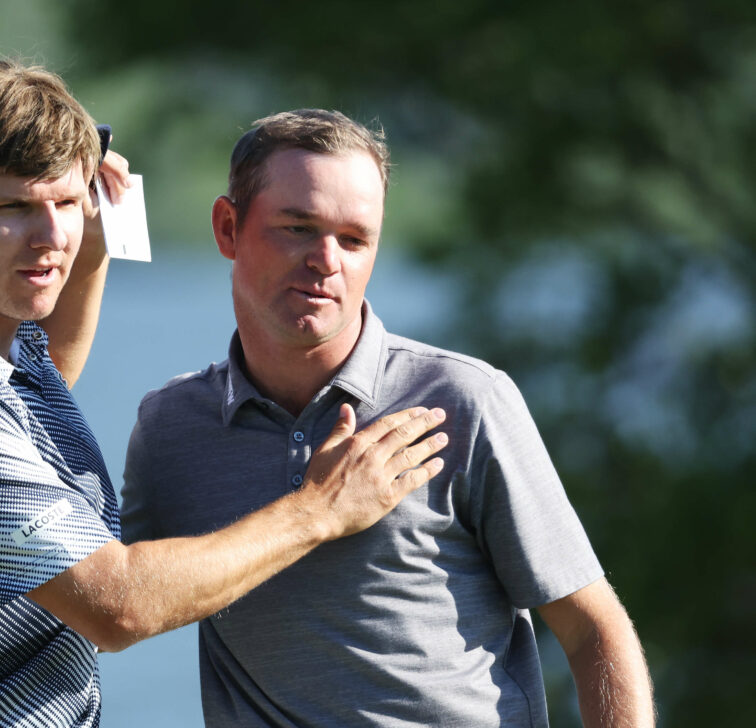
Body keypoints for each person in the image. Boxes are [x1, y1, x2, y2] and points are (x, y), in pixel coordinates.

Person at [0, 61, 448, 728]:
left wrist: (94, 250)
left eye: (66, 203)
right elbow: (118, 606)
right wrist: (320, 508)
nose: (52, 237)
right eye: (13, 208)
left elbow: (43, 375)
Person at [119, 109, 656, 727]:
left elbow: (593, 630)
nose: (327, 260)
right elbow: (109, 609)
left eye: (354, 240)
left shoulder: (462, 399)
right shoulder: (171, 426)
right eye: (298, 227)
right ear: (227, 227)